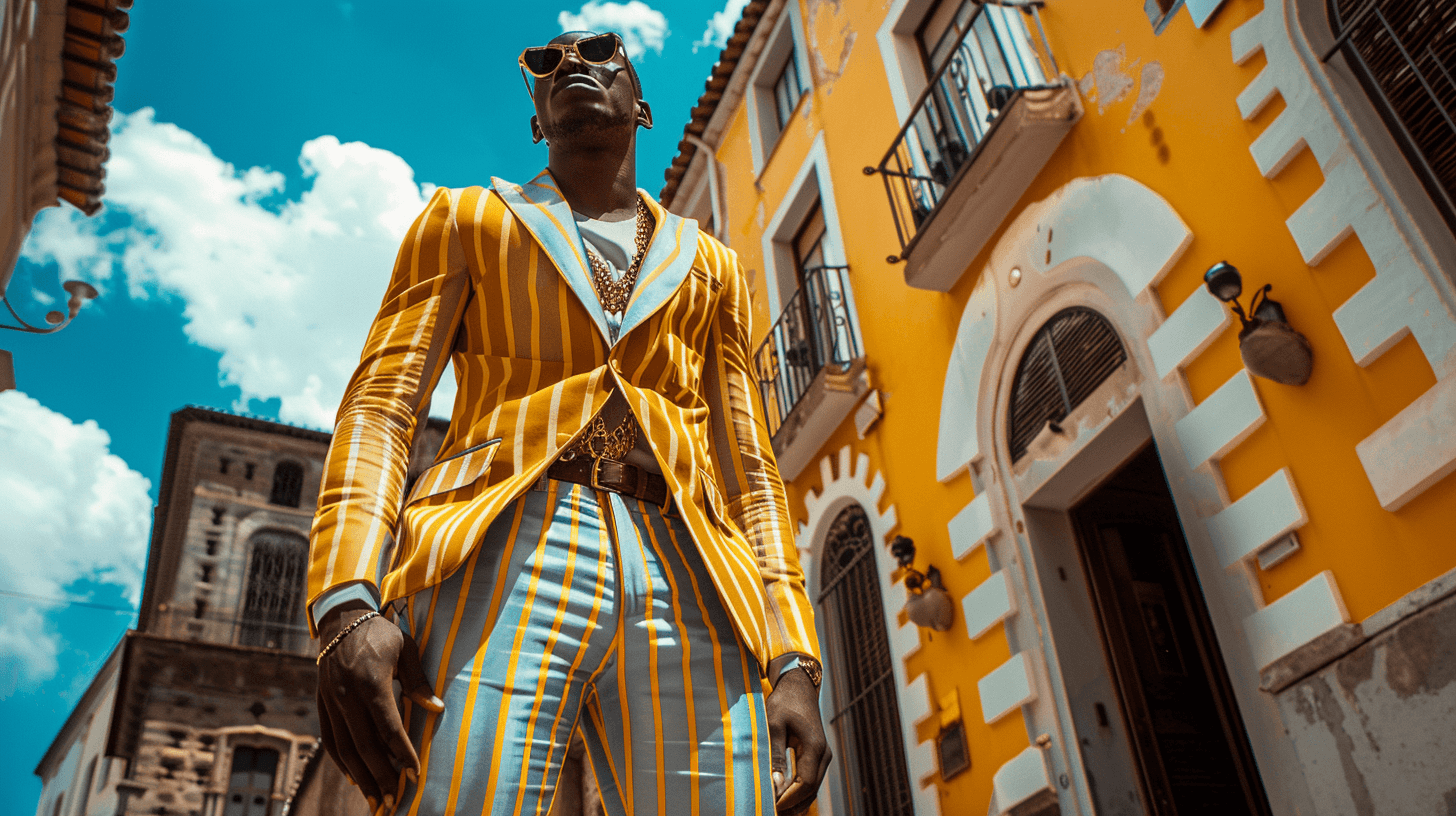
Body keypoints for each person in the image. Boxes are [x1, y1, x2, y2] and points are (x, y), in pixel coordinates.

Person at [306, 29, 830, 816]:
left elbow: (749, 469)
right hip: (501, 543)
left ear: (642, 105)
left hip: (691, 568)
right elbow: (383, 405)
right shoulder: (466, 219)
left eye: (598, 52)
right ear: (536, 120)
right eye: (544, 65)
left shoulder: (711, 266)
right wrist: (346, 601)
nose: (569, 66)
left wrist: (794, 655)